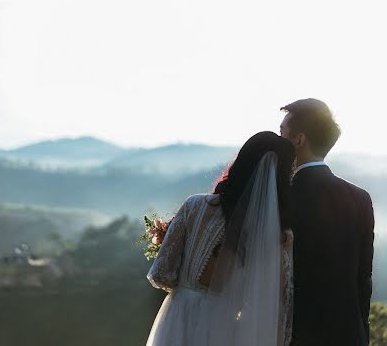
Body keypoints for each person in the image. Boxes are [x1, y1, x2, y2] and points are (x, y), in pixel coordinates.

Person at [145, 131, 296, 346]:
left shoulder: (195, 206)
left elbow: (161, 275)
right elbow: (274, 302)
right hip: (226, 328)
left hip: (179, 318)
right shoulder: (279, 236)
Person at [280, 98, 374, 346]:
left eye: (282, 133)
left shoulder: (283, 196)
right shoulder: (360, 198)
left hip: (297, 334)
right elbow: (363, 278)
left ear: (299, 140)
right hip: (349, 334)